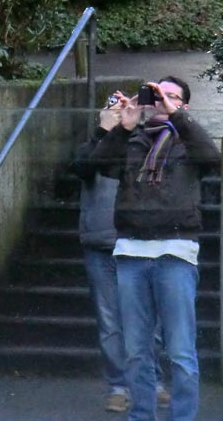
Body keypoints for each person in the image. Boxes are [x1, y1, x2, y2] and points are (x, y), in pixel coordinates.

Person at [87, 76, 221, 421]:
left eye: (172, 96)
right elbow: (95, 166)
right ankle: (141, 416)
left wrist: (177, 116)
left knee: (180, 350)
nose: (163, 101)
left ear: (184, 106)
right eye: (158, 95)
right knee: (136, 351)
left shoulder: (188, 140)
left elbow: (211, 157)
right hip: (132, 252)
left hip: (176, 252)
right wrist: (121, 127)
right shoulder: (132, 139)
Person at [71, 92, 171, 413]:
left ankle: (151, 381)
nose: (123, 112)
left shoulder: (146, 142)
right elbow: (84, 167)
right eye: (115, 107)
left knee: (147, 318)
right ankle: (118, 385)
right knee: (110, 320)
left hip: (139, 240)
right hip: (101, 242)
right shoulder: (93, 144)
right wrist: (104, 129)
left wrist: (136, 126)